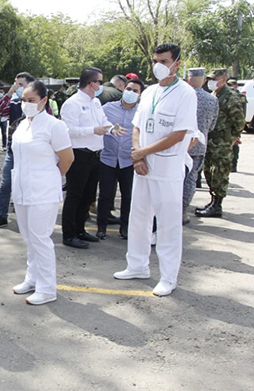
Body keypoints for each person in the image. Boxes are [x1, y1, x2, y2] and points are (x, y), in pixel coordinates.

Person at [113, 43, 198, 297]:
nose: (158, 65)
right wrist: (137, 155)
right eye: (155, 60)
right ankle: (137, 265)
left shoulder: (185, 93)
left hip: (167, 168)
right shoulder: (149, 92)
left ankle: (168, 277)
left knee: (168, 224)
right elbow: (137, 126)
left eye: (164, 60)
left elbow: (180, 134)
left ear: (177, 63)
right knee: (138, 217)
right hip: (143, 166)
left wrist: (144, 153)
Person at [10, 81, 74, 305]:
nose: (26, 105)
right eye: (24, 101)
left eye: (32, 101)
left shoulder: (54, 126)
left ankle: (47, 288)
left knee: (40, 238)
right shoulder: (22, 125)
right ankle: (32, 278)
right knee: (29, 238)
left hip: (43, 191)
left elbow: (67, 159)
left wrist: (50, 177)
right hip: (21, 189)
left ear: (44, 101)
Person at [60, 67, 126, 249]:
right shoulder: (72, 103)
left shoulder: (95, 102)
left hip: (96, 154)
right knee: (75, 195)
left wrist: (112, 129)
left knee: (88, 195)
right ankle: (69, 233)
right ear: (91, 83)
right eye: (99, 81)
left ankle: (80, 229)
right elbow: (67, 130)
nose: (101, 85)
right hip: (80, 153)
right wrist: (92, 130)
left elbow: (103, 121)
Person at [96, 78, 145, 240]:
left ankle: (125, 227)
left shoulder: (141, 113)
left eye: (135, 91)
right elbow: (98, 124)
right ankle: (101, 227)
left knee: (128, 195)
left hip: (129, 160)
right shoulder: (107, 108)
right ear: (123, 89)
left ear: (140, 95)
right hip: (107, 159)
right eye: (129, 89)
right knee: (105, 195)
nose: (131, 93)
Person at [195, 68, 246, 218]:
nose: (211, 82)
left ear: (223, 79)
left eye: (214, 79)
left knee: (220, 172)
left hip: (222, 142)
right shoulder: (215, 94)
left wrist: (234, 136)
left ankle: (217, 205)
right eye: (209, 79)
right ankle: (213, 202)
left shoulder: (230, 96)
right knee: (209, 171)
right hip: (211, 139)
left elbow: (239, 120)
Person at [0, 72, 35, 229]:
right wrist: (9, 94)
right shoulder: (14, 103)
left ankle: (29, 216)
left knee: (29, 184)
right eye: (15, 84)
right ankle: (2, 216)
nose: (17, 87)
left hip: (32, 151)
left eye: (20, 85)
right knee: (6, 184)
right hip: (13, 150)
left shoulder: (40, 104)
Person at [183, 68, 218, 224]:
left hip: (178, 144)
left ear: (188, 79)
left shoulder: (181, 96)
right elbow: (212, 125)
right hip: (198, 145)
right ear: (203, 80)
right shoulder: (211, 99)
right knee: (191, 178)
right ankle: (182, 210)